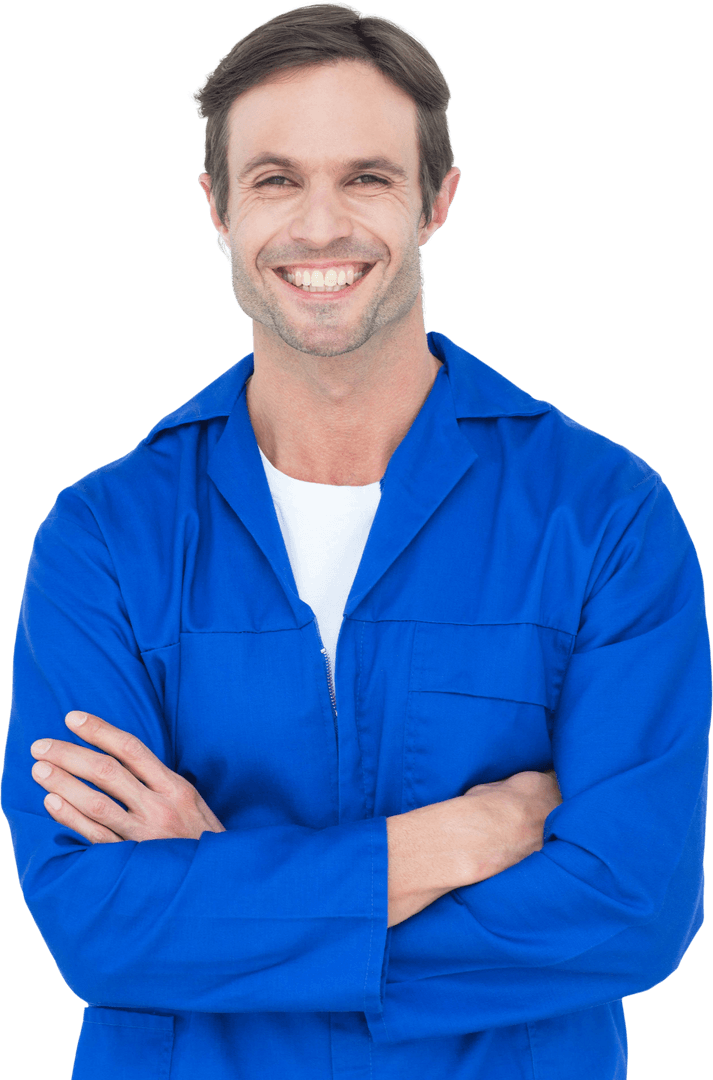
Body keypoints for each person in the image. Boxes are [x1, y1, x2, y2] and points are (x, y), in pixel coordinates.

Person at [2, 4, 710, 1078]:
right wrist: (449, 843)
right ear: (218, 209)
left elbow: (630, 908)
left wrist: (224, 894)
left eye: (367, 177)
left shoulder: (600, 515)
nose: (320, 227)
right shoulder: (104, 538)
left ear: (437, 199)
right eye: (276, 179)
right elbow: (94, 925)